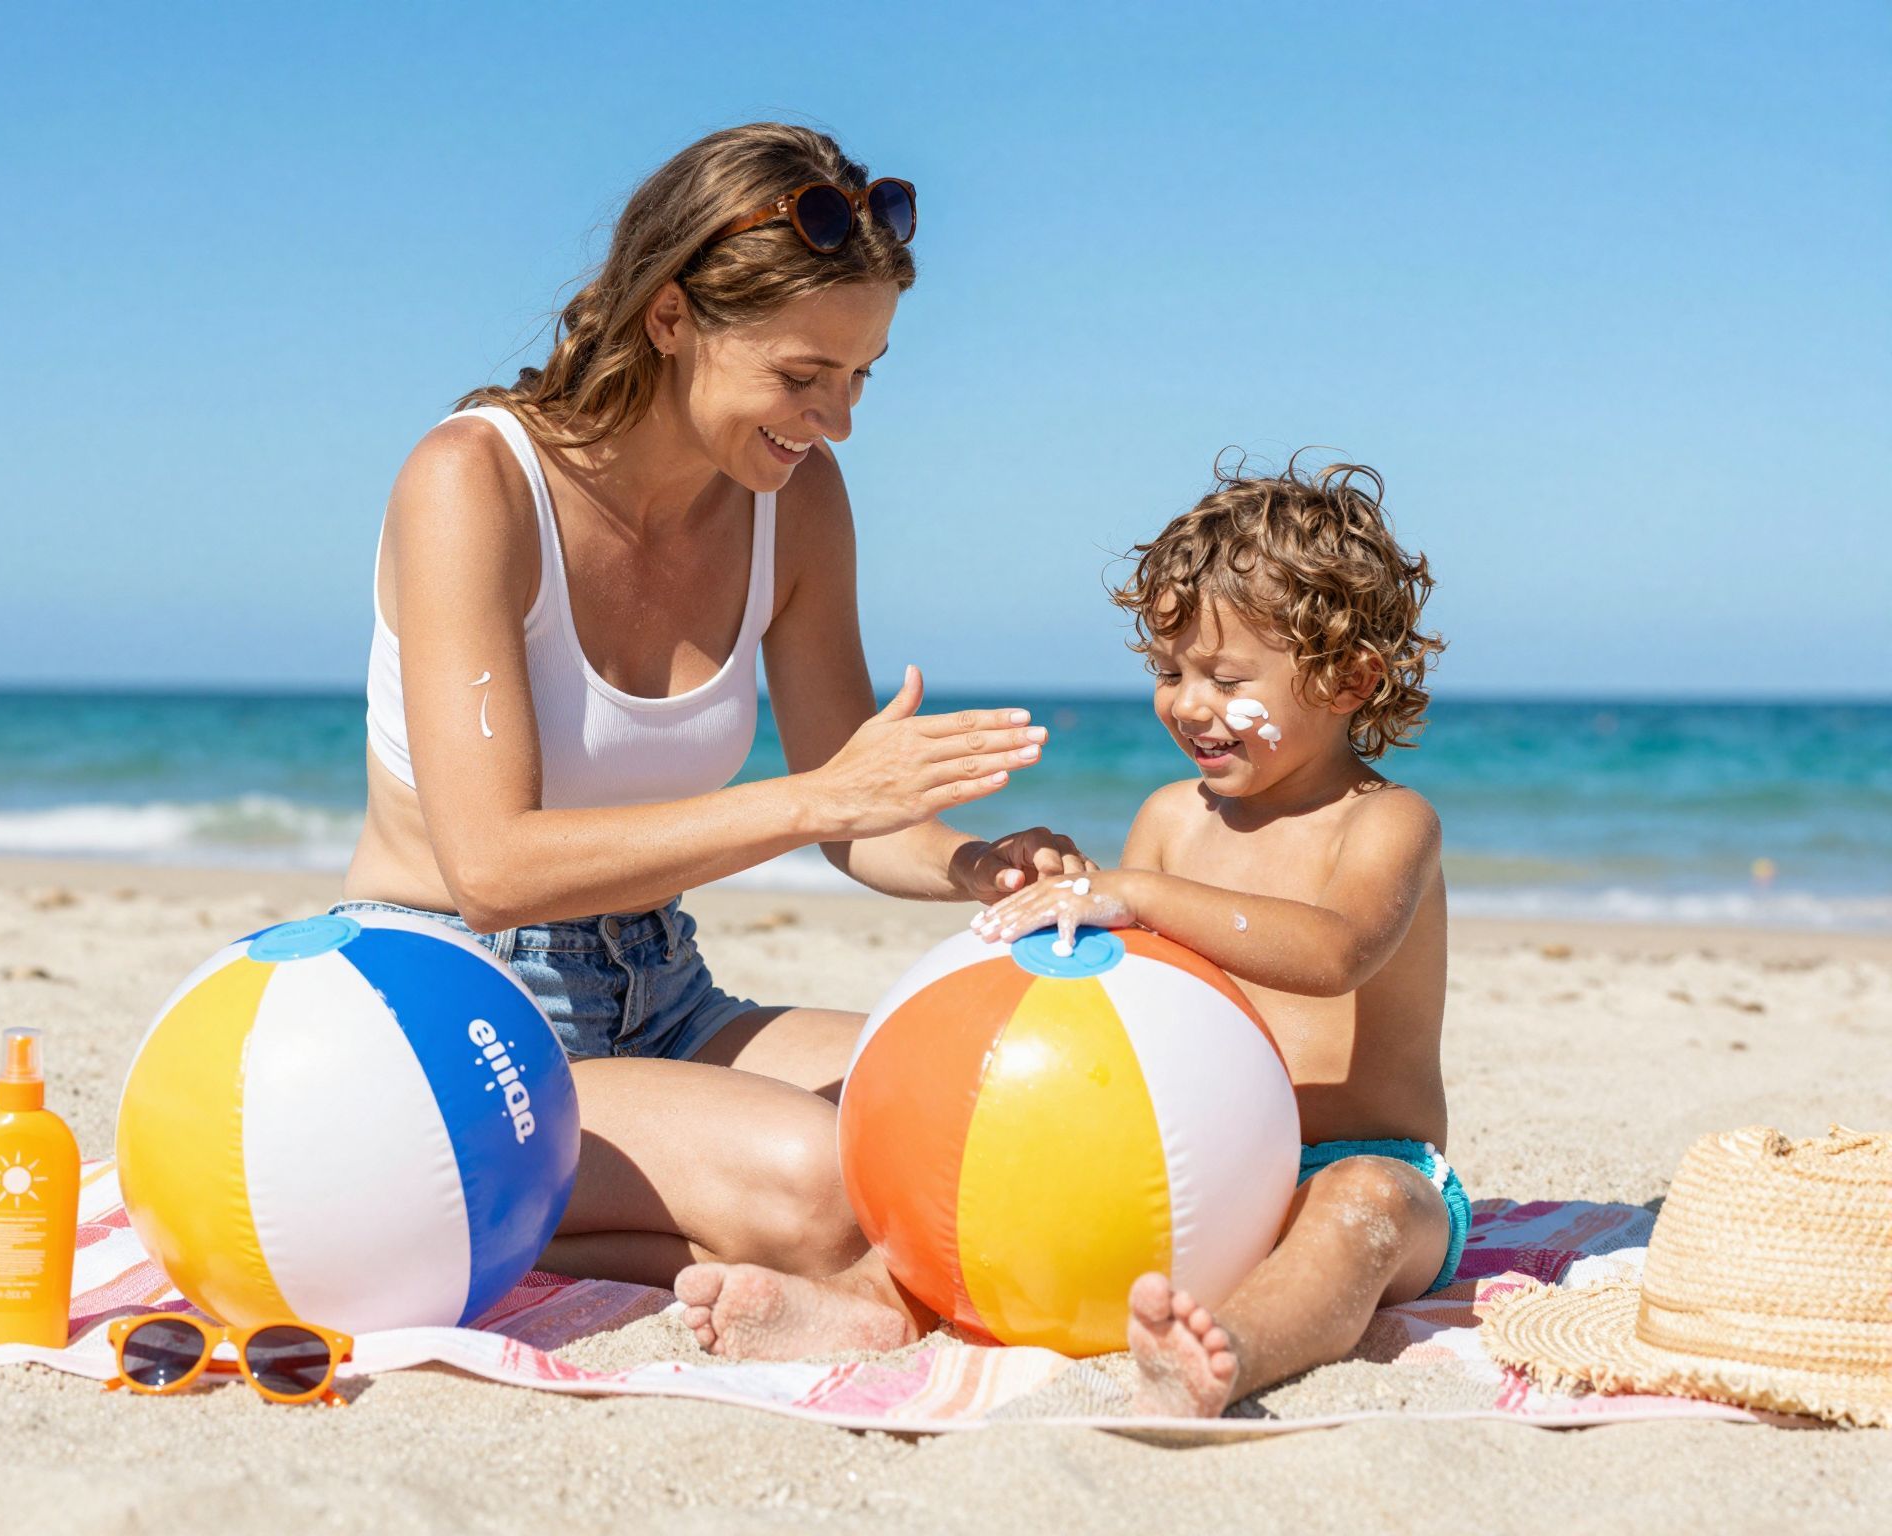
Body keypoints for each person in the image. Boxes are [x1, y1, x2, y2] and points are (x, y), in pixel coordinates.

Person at [338, 123, 1087, 1290]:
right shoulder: (473, 482)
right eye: (801, 376)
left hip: (662, 982)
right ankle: (769, 1260)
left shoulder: (796, 501)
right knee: (826, 1181)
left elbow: (858, 812)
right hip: (458, 1002)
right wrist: (811, 799)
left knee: (1008, 1103)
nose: (835, 420)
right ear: (671, 318)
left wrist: (975, 867)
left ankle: (736, 1248)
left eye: (859, 377)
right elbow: (491, 867)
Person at [676, 456, 1464, 1423]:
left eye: (1225, 676)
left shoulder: (1386, 824)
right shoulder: (1173, 821)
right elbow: (1128, 1001)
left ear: (1350, 678)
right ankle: (874, 1307)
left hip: (1356, 1160)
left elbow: (1336, 950)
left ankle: (1233, 1353)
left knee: (1361, 1219)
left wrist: (1134, 891)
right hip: (1199, 1171)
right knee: (1000, 1184)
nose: (1188, 703)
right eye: (1170, 673)